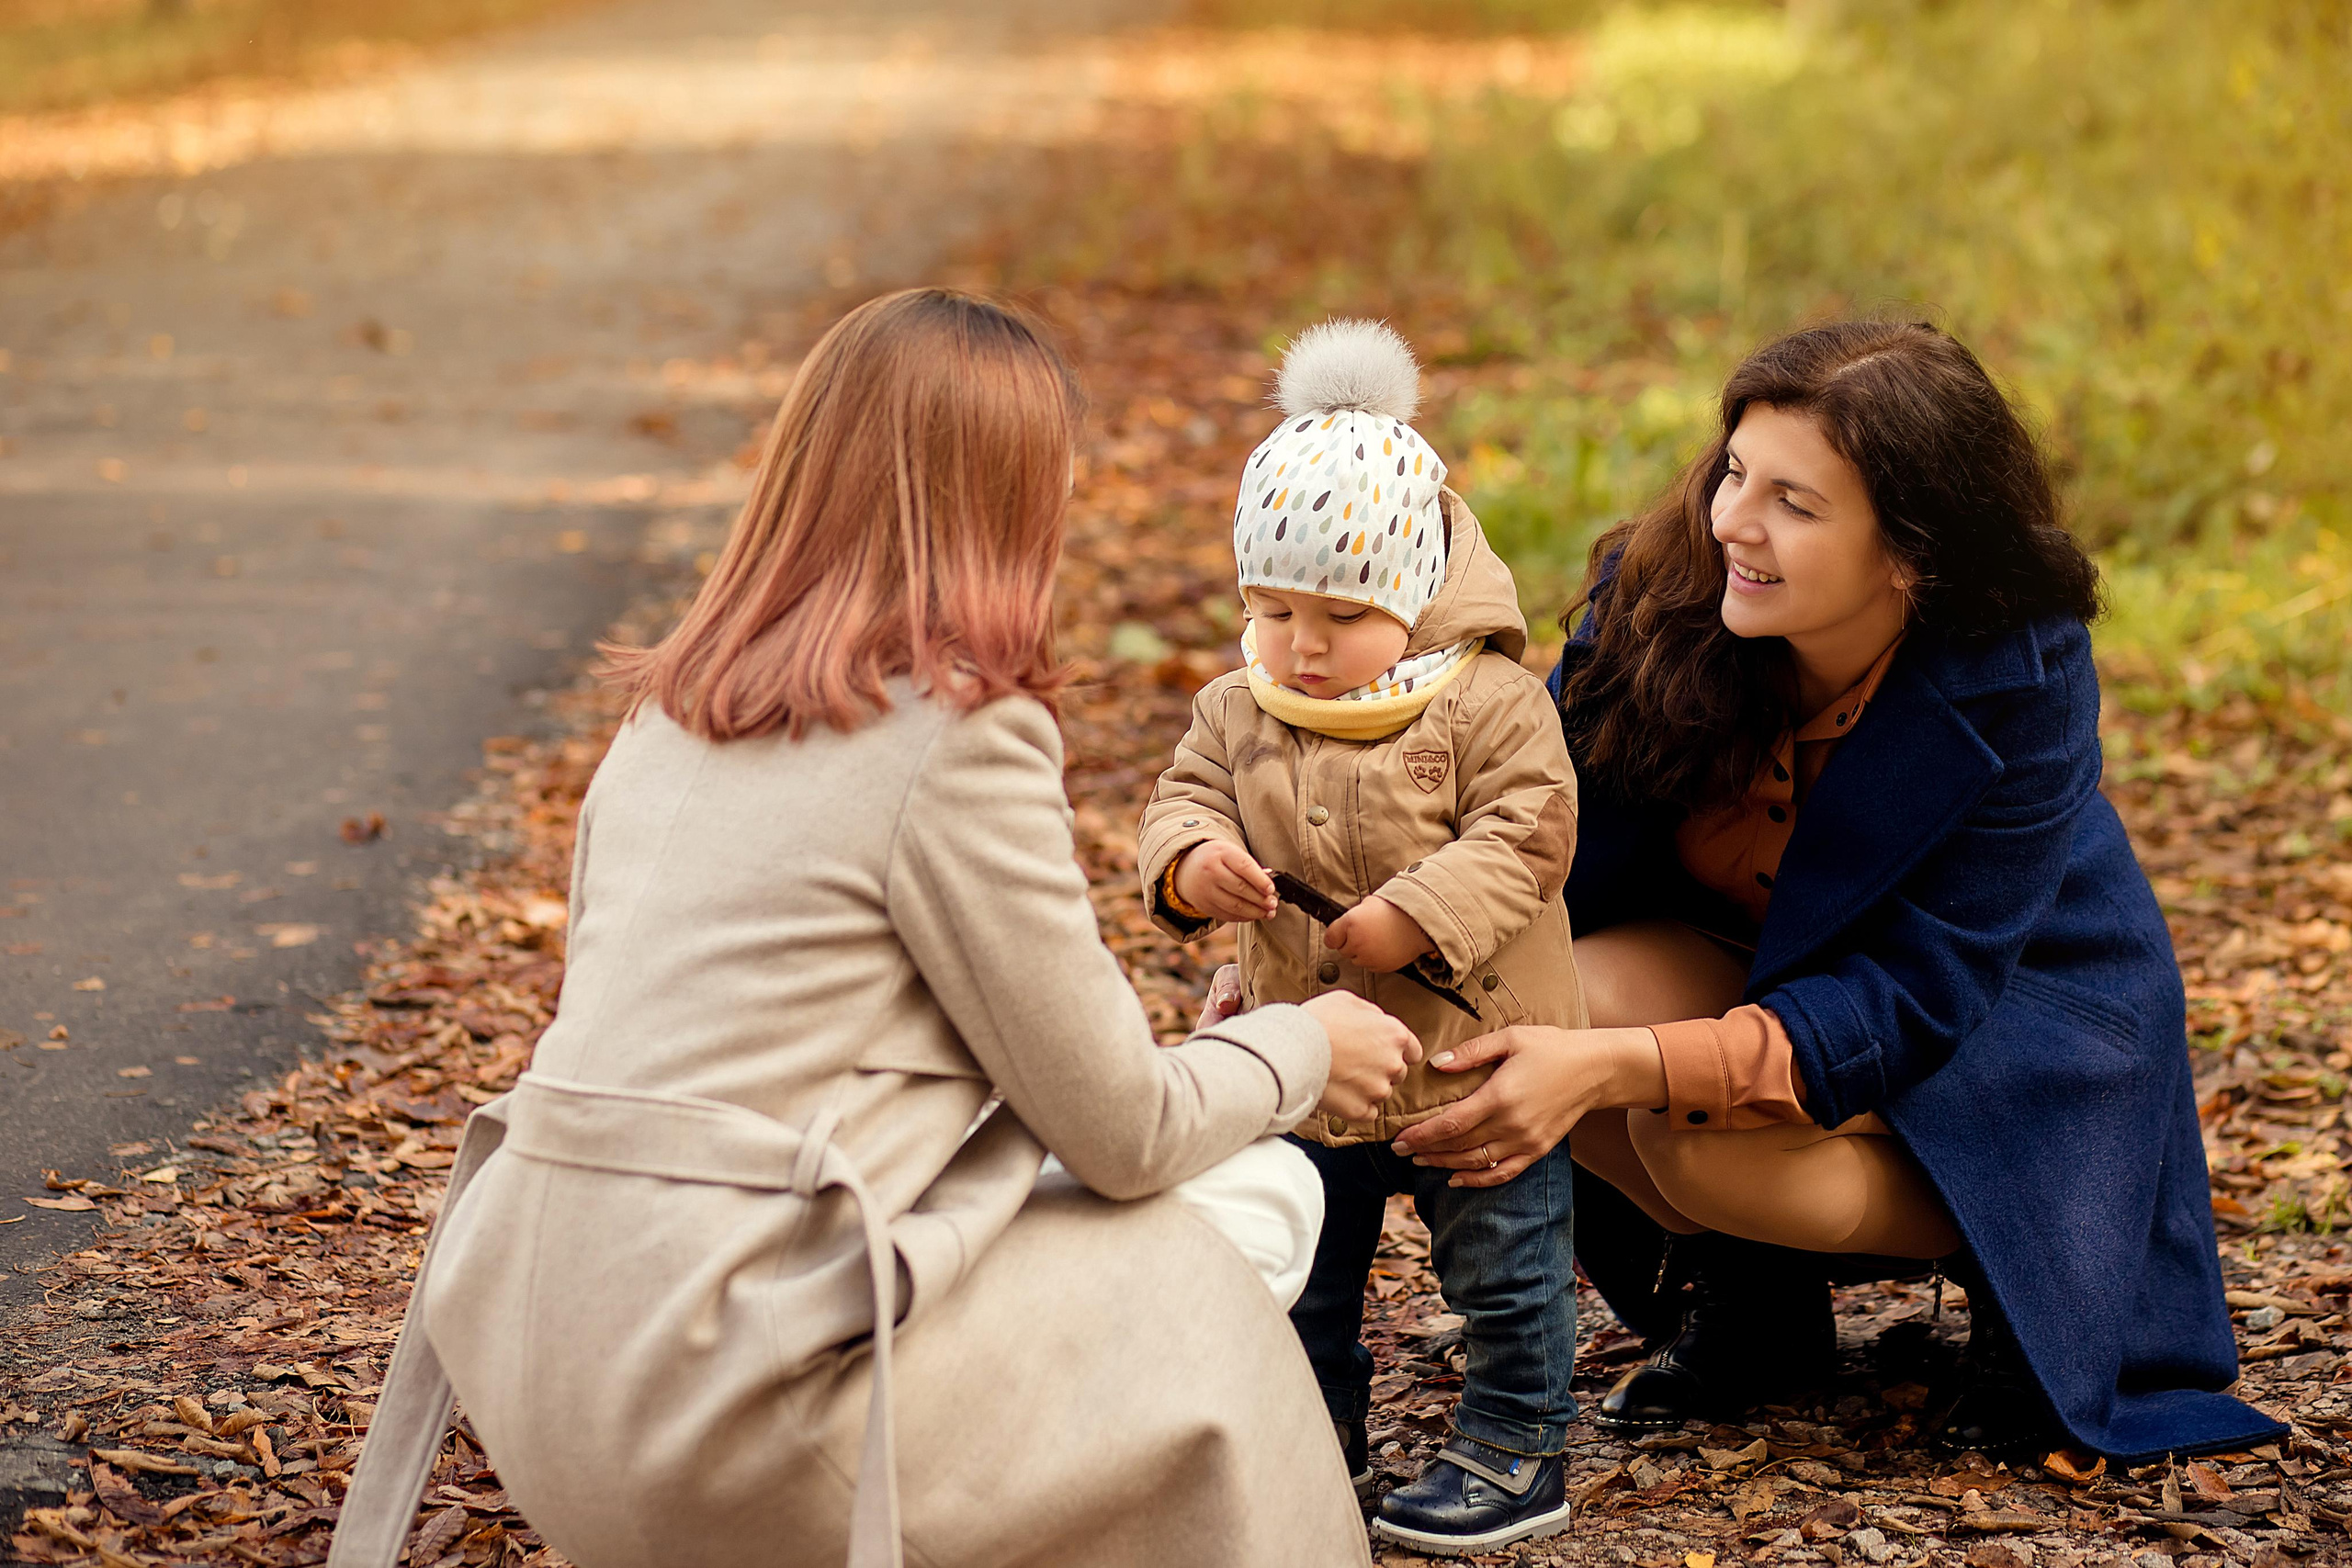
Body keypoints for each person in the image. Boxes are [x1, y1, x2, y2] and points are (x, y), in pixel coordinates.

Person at [327, 288, 1425, 1568]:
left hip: (540, 1352)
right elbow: (1127, 1133)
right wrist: (1303, 1043)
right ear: (1016, 503)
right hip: (734, 1392)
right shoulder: (955, 734)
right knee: (1243, 1215)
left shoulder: (667, 716)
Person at [1386, 320, 2284, 1461]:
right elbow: (1504, 828)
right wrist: (1328, 959)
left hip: (2006, 1024)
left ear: (1909, 550)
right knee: (1535, 998)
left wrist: (1614, 1067)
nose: (1732, 522)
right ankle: (1757, 1311)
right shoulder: (1662, 595)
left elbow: (1914, 995)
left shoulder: (2020, 672)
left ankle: (2018, 1271)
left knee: (1694, 1141)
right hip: (1765, 966)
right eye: (1733, 472)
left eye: (1794, 505)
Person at [1143, 320, 1587, 1556]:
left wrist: (1417, 912)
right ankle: (1310, 1431)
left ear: (1412, 591)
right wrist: (1190, 859)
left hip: (1469, 1053)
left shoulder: (1488, 701)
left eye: (1341, 614)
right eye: (1272, 608)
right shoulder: (1240, 706)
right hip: (1307, 1055)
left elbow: (1530, 832)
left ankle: (1515, 1442)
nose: (1302, 643)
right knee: (1305, 1261)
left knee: (1504, 1265)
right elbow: (1183, 794)